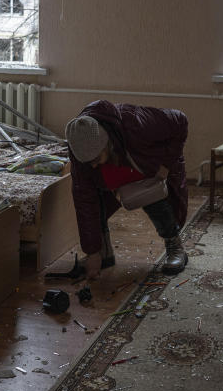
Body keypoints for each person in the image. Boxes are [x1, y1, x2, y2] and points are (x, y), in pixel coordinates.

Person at [65, 100, 189, 280]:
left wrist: (165, 165)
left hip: (150, 165)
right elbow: (85, 202)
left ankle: (175, 247)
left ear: (106, 142)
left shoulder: (136, 124)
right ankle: (103, 254)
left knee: (153, 198)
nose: (92, 165)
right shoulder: (81, 150)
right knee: (93, 198)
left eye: (96, 158)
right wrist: (92, 252)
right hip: (117, 170)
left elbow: (181, 121)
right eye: (88, 162)